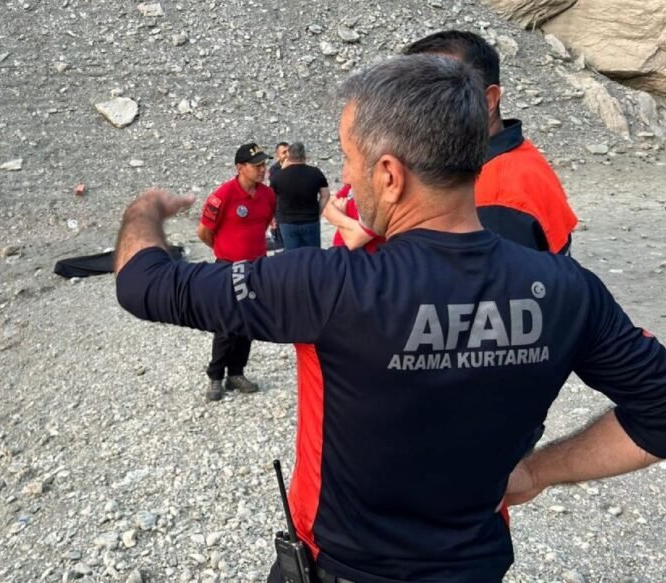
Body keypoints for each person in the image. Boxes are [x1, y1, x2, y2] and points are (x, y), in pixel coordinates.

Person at [114, 55, 666, 583]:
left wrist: (143, 210)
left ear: (389, 175)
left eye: (350, 162)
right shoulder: (568, 290)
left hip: (343, 566)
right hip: (475, 566)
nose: (347, 182)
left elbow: (145, 285)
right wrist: (539, 471)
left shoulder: (329, 285)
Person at [331, 30, 578, 255]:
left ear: (489, 100)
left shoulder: (491, 196)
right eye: (416, 94)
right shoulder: (519, 158)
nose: (417, 108)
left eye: (449, 88)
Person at [194, 143, 277, 402]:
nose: (263, 170)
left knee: (248, 320)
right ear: (240, 168)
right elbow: (204, 232)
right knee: (225, 322)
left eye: (264, 164)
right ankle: (215, 376)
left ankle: (237, 372)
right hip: (228, 267)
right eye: (257, 165)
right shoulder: (223, 195)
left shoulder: (268, 195)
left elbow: (263, 224)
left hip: (256, 268)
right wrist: (223, 252)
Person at [270, 142, 330, 250]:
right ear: (304, 155)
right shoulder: (316, 173)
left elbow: (270, 198)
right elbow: (325, 195)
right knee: (313, 255)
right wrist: (318, 211)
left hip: (287, 222)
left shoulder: (278, 176)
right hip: (310, 220)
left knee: (292, 257)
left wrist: (274, 217)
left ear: (289, 155)